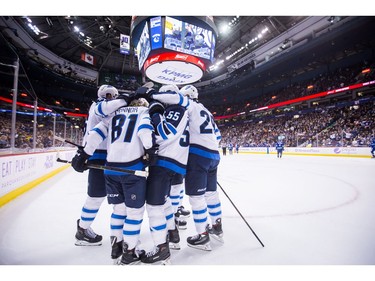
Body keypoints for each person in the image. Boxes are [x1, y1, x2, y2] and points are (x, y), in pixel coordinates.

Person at [71, 96, 158, 265]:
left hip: (110, 169)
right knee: (134, 213)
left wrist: (85, 154)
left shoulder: (114, 114)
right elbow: (145, 130)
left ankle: (116, 248)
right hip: (132, 170)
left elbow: (95, 133)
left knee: (118, 210)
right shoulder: (143, 112)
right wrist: (151, 151)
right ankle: (130, 253)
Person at [140, 84, 190, 264]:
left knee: (153, 207)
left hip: (165, 162)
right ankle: (173, 234)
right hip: (174, 162)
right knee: (165, 201)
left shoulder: (177, 108)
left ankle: (162, 250)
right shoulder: (178, 109)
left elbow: (164, 133)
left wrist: (154, 114)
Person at [179, 85, 224, 251]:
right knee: (211, 194)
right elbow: (218, 135)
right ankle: (217, 227)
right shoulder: (207, 111)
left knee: (196, 197)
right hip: (214, 155)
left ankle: (202, 235)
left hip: (198, 156)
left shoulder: (188, 107)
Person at [74, 84, 118, 247]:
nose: (112, 99)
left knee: (104, 197)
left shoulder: (97, 106)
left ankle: (84, 228)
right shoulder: (101, 106)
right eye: (112, 96)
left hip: (102, 156)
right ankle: (83, 230)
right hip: (100, 156)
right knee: (97, 197)